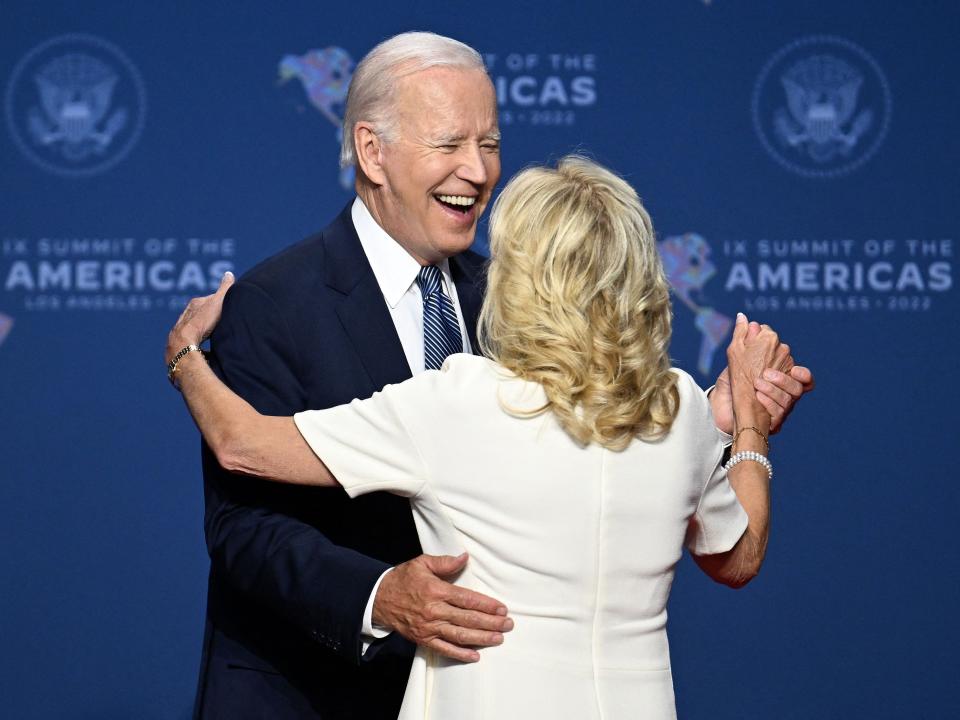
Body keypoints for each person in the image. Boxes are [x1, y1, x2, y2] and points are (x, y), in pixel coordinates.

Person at [190, 32, 813, 720]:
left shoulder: (513, 298)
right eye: (450, 144)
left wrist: (708, 427)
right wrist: (379, 595)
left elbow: (585, 444)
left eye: (489, 146)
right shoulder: (274, 300)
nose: (478, 171)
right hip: (316, 691)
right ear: (373, 152)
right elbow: (243, 526)